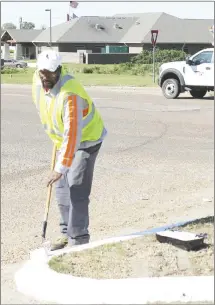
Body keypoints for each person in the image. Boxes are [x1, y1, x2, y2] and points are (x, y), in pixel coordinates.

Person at [32, 49, 107, 251]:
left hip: (87, 140)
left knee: (76, 189)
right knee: (62, 190)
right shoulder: (37, 82)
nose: (46, 77)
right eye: (42, 73)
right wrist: (57, 141)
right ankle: (66, 234)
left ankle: (79, 241)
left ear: (59, 70)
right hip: (63, 141)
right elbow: (46, 110)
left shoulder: (70, 94)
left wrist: (59, 168)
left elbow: (73, 134)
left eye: (50, 73)